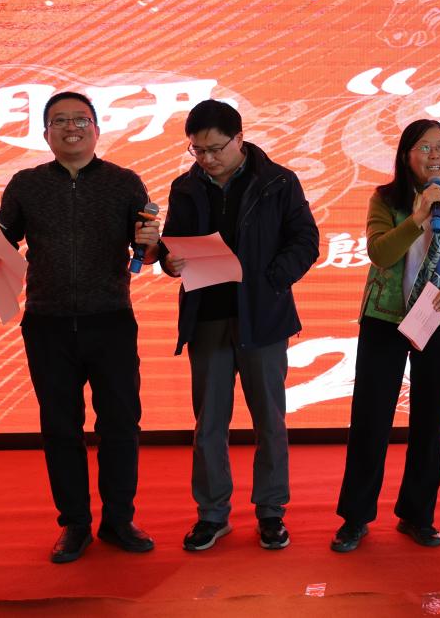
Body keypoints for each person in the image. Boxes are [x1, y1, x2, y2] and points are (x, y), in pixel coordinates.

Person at [0, 91, 159, 563]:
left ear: (96, 129)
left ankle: (119, 520)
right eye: (60, 121)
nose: (71, 128)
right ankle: (74, 524)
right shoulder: (26, 184)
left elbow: (146, 253)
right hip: (47, 323)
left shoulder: (124, 182)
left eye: (80, 119)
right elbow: (1, 242)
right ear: (46, 133)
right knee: (60, 427)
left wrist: (154, 244)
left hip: (111, 319)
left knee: (120, 424)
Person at [158, 99, 319, 552]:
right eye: (198, 150)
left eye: (215, 148)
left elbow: (306, 240)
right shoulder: (185, 187)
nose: (207, 159)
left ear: (240, 138)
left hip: (263, 315)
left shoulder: (278, 181)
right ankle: (212, 514)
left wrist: (270, 280)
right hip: (207, 315)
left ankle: (271, 511)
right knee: (209, 422)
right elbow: (172, 245)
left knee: (269, 420)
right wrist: (170, 262)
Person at [331, 119, 440, 552]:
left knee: (431, 421)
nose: (436, 155)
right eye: (425, 147)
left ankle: (417, 514)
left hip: (438, 319)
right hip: (385, 317)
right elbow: (380, 253)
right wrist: (417, 217)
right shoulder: (384, 199)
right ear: (405, 156)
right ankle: (356, 517)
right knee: (371, 418)